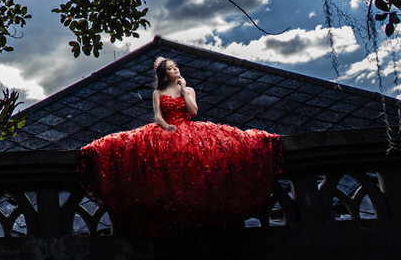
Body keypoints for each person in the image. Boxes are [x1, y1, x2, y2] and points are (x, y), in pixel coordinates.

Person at [76, 56, 282, 236]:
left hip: (188, 128)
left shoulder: (188, 89)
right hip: (168, 128)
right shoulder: (158, 93)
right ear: (164, 74)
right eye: (170, 68)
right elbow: (157, 116)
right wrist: (167, 127)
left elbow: (193, 112)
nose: (175, 70)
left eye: (176, 67)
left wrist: (184, 91)